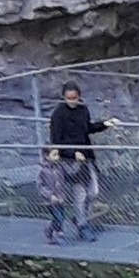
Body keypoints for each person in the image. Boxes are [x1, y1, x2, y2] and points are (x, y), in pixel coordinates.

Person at [45, 82, 109, 242]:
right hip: (69, 162)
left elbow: (87, 128)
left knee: (93, 192)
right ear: (64, 97)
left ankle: (79, 217)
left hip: (86, 157)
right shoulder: (58, 114)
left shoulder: (83, 109)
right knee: (79, 194)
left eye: (74, 98)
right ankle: (82, 225)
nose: (72, 101)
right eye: (69, 98)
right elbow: (56, 142)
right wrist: (73, 153)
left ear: (79, 96)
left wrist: (104, 125)